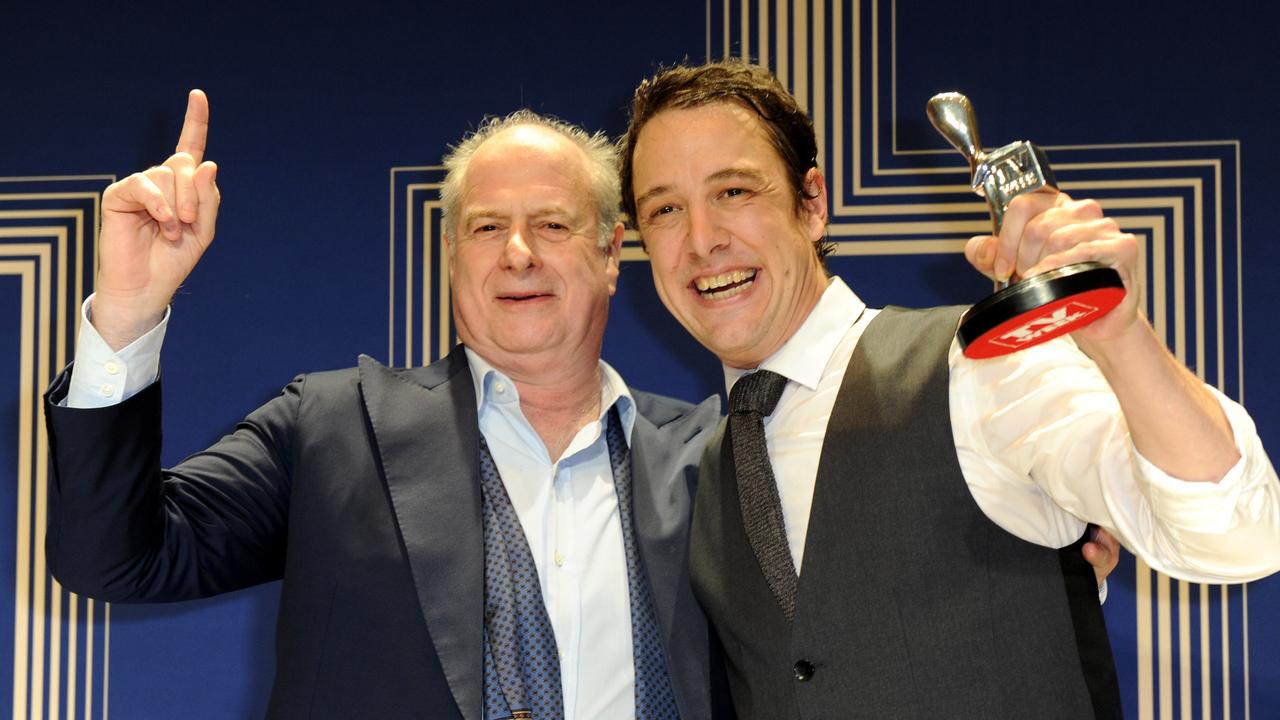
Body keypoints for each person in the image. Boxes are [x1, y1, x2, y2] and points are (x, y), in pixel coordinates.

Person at [619, 60, 1280, 719]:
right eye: (666, 209)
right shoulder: (705, 470)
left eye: (734, 192)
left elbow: (1234, 536)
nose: (703, 240)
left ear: (812, 202)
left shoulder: (976, 369)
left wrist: (1121, 337)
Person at [43, 91, 729, 719]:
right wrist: (128, 313)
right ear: (452, 253)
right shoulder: (332, 429)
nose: (519, 254)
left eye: (552, 224)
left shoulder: (714, 456)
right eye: (488, 228)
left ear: (611, 253)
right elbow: (114, 559)